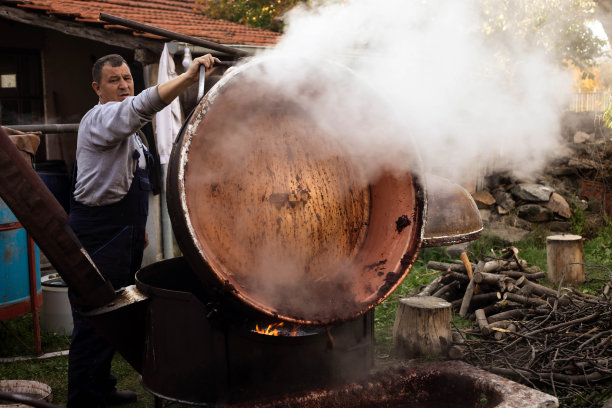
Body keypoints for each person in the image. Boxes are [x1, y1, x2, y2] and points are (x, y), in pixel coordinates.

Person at [67, 52, 219, 408]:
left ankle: (100, 386)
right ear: (97, 88)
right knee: (95, 318)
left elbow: (131, 177)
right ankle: (84, 399)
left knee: (113, 315)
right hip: (99, 233)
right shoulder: (103, 117)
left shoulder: (129, 132)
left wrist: (140, 229)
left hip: (123, 230)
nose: (123, 85)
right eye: (113, 80)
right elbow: (141, 107)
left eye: (127, 78)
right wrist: (187, 77)